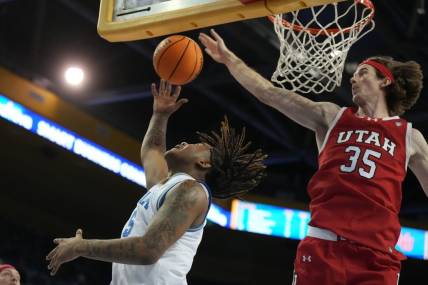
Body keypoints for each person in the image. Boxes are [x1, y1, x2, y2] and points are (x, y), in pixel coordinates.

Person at [199, 29, 427, 284]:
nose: (353, 79)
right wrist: (230, 59)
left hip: (376, 256)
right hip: (323, 245)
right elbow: (270, 93)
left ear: (385, 81)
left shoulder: (409, 136)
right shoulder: (332, 116)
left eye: (363, 72)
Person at [46, 79, 266, 285]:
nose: (184, 142)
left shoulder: (191, 191)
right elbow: (152, 150)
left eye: (195, 145)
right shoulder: (167, 185)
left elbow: (148, 250)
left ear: (203, 163)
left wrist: (81, 247)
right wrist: (160, 115)